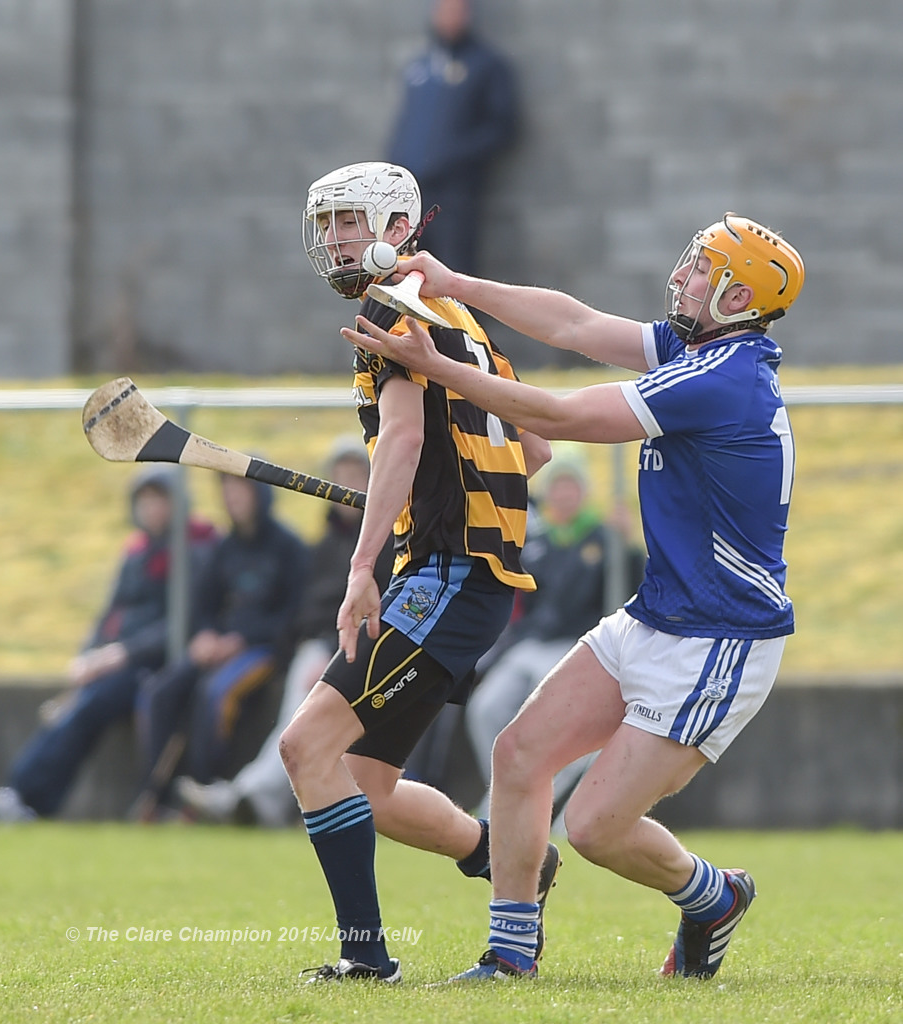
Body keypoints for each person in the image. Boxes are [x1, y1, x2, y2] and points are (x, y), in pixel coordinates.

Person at [341, 210, 805, 981]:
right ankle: (511, 953)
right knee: (519, 756)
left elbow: (556, 417)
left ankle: (712, 897)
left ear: (733, 298)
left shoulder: (717, 380)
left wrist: (436, 366)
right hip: (656, 614)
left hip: (720, 639)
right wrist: (455, 285)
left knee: (592, 828)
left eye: (701, 271)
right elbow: (577, 323)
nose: (682, 277)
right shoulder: (699, 351)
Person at [286, 160, 556, 983]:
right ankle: (498, 855)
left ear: (399, 229)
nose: (334, 239)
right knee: (363, 784)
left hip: (445, 577)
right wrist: (448, 493)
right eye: (327, 222)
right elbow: (533, 448)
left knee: (306, 748)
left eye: (350, 221)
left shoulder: (390, 305)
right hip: (454, 575)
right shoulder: (457, 314)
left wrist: (363, 562)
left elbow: (401, 441)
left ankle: (364, 960)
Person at [176, 438, 391, 828]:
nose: (346, 486)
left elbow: (378, 610)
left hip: (357, 649)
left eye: (356, 476)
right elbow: (306, 613)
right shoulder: (323, 546)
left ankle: (249, 795)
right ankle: (264, 800)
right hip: (319, 649)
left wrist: (331, 654)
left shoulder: (388, 543)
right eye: (339, 477)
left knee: (298, 726)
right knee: (295, 727)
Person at [0, 468, 218, 822]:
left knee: (89, 706)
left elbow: (180, 623)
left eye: (159, 500)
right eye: (144, 501)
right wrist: (88, 656)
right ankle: (22, 796)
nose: (151, 509)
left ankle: (29, 797)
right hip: (114, 663)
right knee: (67, 711)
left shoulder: (197, 549)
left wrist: (121, 654)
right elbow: (111, 613)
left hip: (152, 664)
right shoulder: (136, 552)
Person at [466, 448, 645, 821]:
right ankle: (508, 795)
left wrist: (628, 548)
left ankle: (537, 801)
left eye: (571, 485)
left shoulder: (604, 538)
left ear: (583, 491)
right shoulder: (536, 542)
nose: (564, 494)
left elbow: (632, 593)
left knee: (564, 731)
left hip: (574, 647)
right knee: (486, 708)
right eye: (558, 486)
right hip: (530, 646)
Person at [134, 471, 308, 817]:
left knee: (215, 695)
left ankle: (203, 791)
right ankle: (158, 794)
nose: (233, 498)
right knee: (159, 692)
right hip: (219, 647)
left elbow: (293, 616)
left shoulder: (290, 548)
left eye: (240, 490)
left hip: (263, 650)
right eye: (227, 491)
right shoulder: (224, 548)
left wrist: (243, 640)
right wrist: (207, 635)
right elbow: (205, 606)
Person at [386, 0, 518, 275]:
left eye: (455, 10)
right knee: (406, 272)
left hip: (455, 196)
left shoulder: (486, 65)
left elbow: (502, 127)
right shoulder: (420, 67)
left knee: (453, 273)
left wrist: (449, 158)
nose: (448, 17)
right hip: (413, 195)